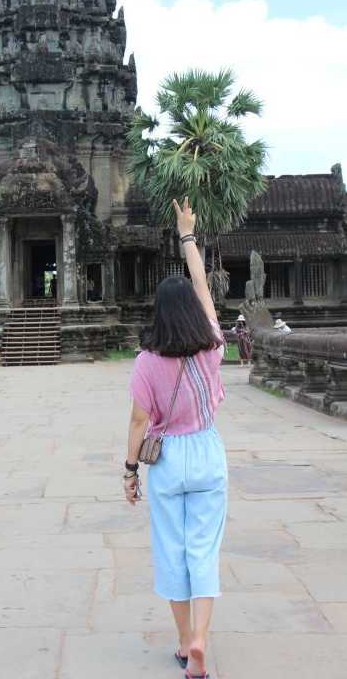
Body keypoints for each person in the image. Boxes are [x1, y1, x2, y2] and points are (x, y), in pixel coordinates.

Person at [125, 198, 226, 679]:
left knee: (172, 549)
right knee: (203, 548)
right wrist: (187, 235)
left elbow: (138, 423)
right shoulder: (211, 344)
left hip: (166, 460)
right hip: (206, 448)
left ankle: (185, 644)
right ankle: (204, 638)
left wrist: (129, 471)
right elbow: (203, 287)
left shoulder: (147, 361)